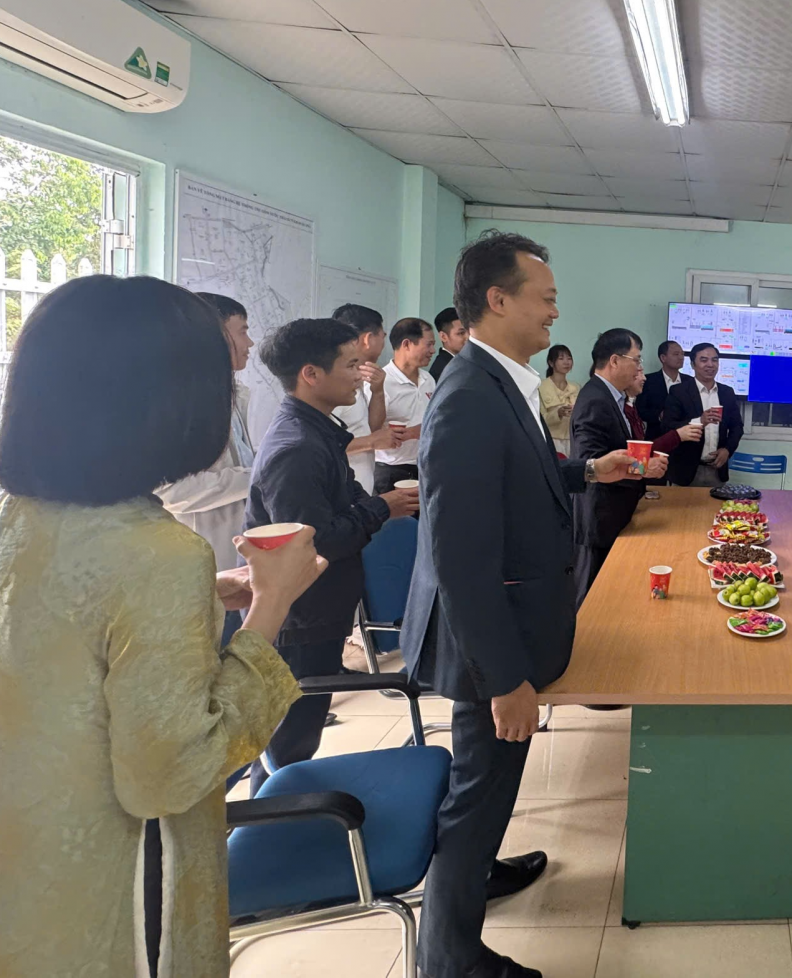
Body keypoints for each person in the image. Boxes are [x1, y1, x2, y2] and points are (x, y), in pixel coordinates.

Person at [0, 275, 325, 978]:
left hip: (11, 857)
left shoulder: (16, 514)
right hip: (118, 886)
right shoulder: (158, 552)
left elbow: (72, 634)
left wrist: (207, 595)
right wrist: (271, 605)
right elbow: (172, 772)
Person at [401, 231, 651, 978]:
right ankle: (449, 958)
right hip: (492, 644)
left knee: (492, 786)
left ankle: (479, 872)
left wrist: (590, 472)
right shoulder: (468, 396)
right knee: (478, 793)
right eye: (544, 298)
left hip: (511, 629)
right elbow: (460, 557)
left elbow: (524, 475)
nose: (555, 311)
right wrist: (505, 678)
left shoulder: (502, 380)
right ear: (497, 300)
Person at [246, 318, 420, 795]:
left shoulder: (321, 433)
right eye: (350, 365)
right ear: (311, 374)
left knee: (295, 738)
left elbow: (340, 505)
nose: (361, 376)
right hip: (300, 616)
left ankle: (277, 817)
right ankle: (268, 824)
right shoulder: (297, 449)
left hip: (320, 611)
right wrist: (380, 508)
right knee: (287, 743)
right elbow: (315, 542)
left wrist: (377, 506)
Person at [156, 291, 255, 573]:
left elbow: (241, 459)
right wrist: (257, 476)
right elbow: (170, 491)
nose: (249, 343)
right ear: (214, 335)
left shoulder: (231, 395)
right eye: (242, 331)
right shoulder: (180, 404)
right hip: (202, 545)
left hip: (237, 540)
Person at [570, 328, 651, 603]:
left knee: (609, 595)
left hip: (613, 510)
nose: (639, 368)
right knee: (593, 596)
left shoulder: (612, 397)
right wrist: (639, 469)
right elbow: (590, 461)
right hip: (599, 515)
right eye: (636, 360)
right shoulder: (595, 398)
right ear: (615, 361)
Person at [661, 342, 744, 488]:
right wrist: (699, 421)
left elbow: (737, 427)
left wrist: (727, 450)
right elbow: (668, 427)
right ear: (693, 364)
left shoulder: (727, 392)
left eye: (714, 360)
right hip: (685, 471)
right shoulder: (679, 392)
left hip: (717, 470)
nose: (710, 365)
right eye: (704, 360)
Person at [331, 303, 393, 493]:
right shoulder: (334, 382)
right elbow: (323, 445)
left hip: (360, 489)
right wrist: (372, 441)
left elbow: (371, 427)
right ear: (368, 339)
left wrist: (378, 391)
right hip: (341, 491)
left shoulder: (359, 377)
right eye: (383, 336)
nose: (383, 344)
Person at [375, 316, 437, 494]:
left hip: (424, 466)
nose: (433, 351)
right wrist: (409, 433)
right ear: (407, 344)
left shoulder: (428, 379)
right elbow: (370, 430)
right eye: (429, 344)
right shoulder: (380, 382)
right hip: (390, 471)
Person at [636, 339, 686, 440]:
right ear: (663, 358)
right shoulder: (648, 381)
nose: (681, 357)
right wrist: (660, 416)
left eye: (682, 354)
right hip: (657, 437)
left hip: (684, 438)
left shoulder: (689, 381)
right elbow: (640, 410)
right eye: (676, 354)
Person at [538, 343, 579, 457]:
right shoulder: (541, 387)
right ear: (551, 363)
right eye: (561, 358)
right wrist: (558, 413)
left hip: (572, 439)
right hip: (551, 439)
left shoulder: (576, 387)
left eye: (569, 358)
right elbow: (539, 418)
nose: (566, 362)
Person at [431, 306, 468, 381]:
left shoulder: (464, 361)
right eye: (461, 333)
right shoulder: (443, 369)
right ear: (443, 337)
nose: (468, 337)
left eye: (470, 331)